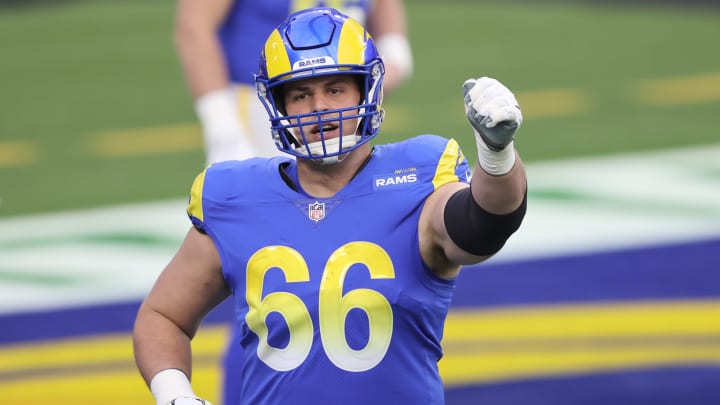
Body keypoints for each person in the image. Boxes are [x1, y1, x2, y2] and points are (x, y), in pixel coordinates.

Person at [134, 7, 527, 405]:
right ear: (279, 106)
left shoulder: (418, 175)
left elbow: (483, 228)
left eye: (335, 89)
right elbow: (163, 316)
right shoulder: (235, 196)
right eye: (301, 93)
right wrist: (175, 394)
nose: (319, 106)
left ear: (364, 91)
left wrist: (496, 155)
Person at [174, 0, 414, 165]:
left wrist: (394, 54)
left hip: (345, 94)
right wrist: (223, 127)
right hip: (267, 102)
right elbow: (194, 27)